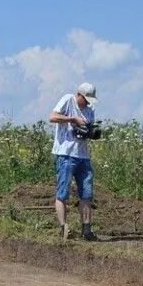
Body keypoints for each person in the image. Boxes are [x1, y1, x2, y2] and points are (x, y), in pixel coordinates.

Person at [48, 82, 99, 241]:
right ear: (79, 95)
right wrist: (73, 119)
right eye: (86, 99)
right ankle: (63, 228)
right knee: (63, 192)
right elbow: (52, 116)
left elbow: (88, 130)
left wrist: (90, 132)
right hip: (66, 154)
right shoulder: (68, 100)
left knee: (86, 193)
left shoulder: (90, 109)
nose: (88, 103)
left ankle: (86, 229)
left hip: (83, 155)